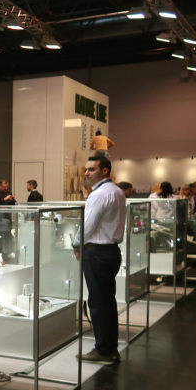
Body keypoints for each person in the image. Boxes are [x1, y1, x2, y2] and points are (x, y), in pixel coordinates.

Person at [75, 156, 127, 364]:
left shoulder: (99, 194)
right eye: (86, 169)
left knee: (98, 303)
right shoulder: (117, 191)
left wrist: (76, 244)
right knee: (107, 302)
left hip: (97, 252)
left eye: (92, 169)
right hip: (111, 251)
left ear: (105, 171)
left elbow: (88, 225)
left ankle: (104, 350)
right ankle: (109, 347)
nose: (87, 173)